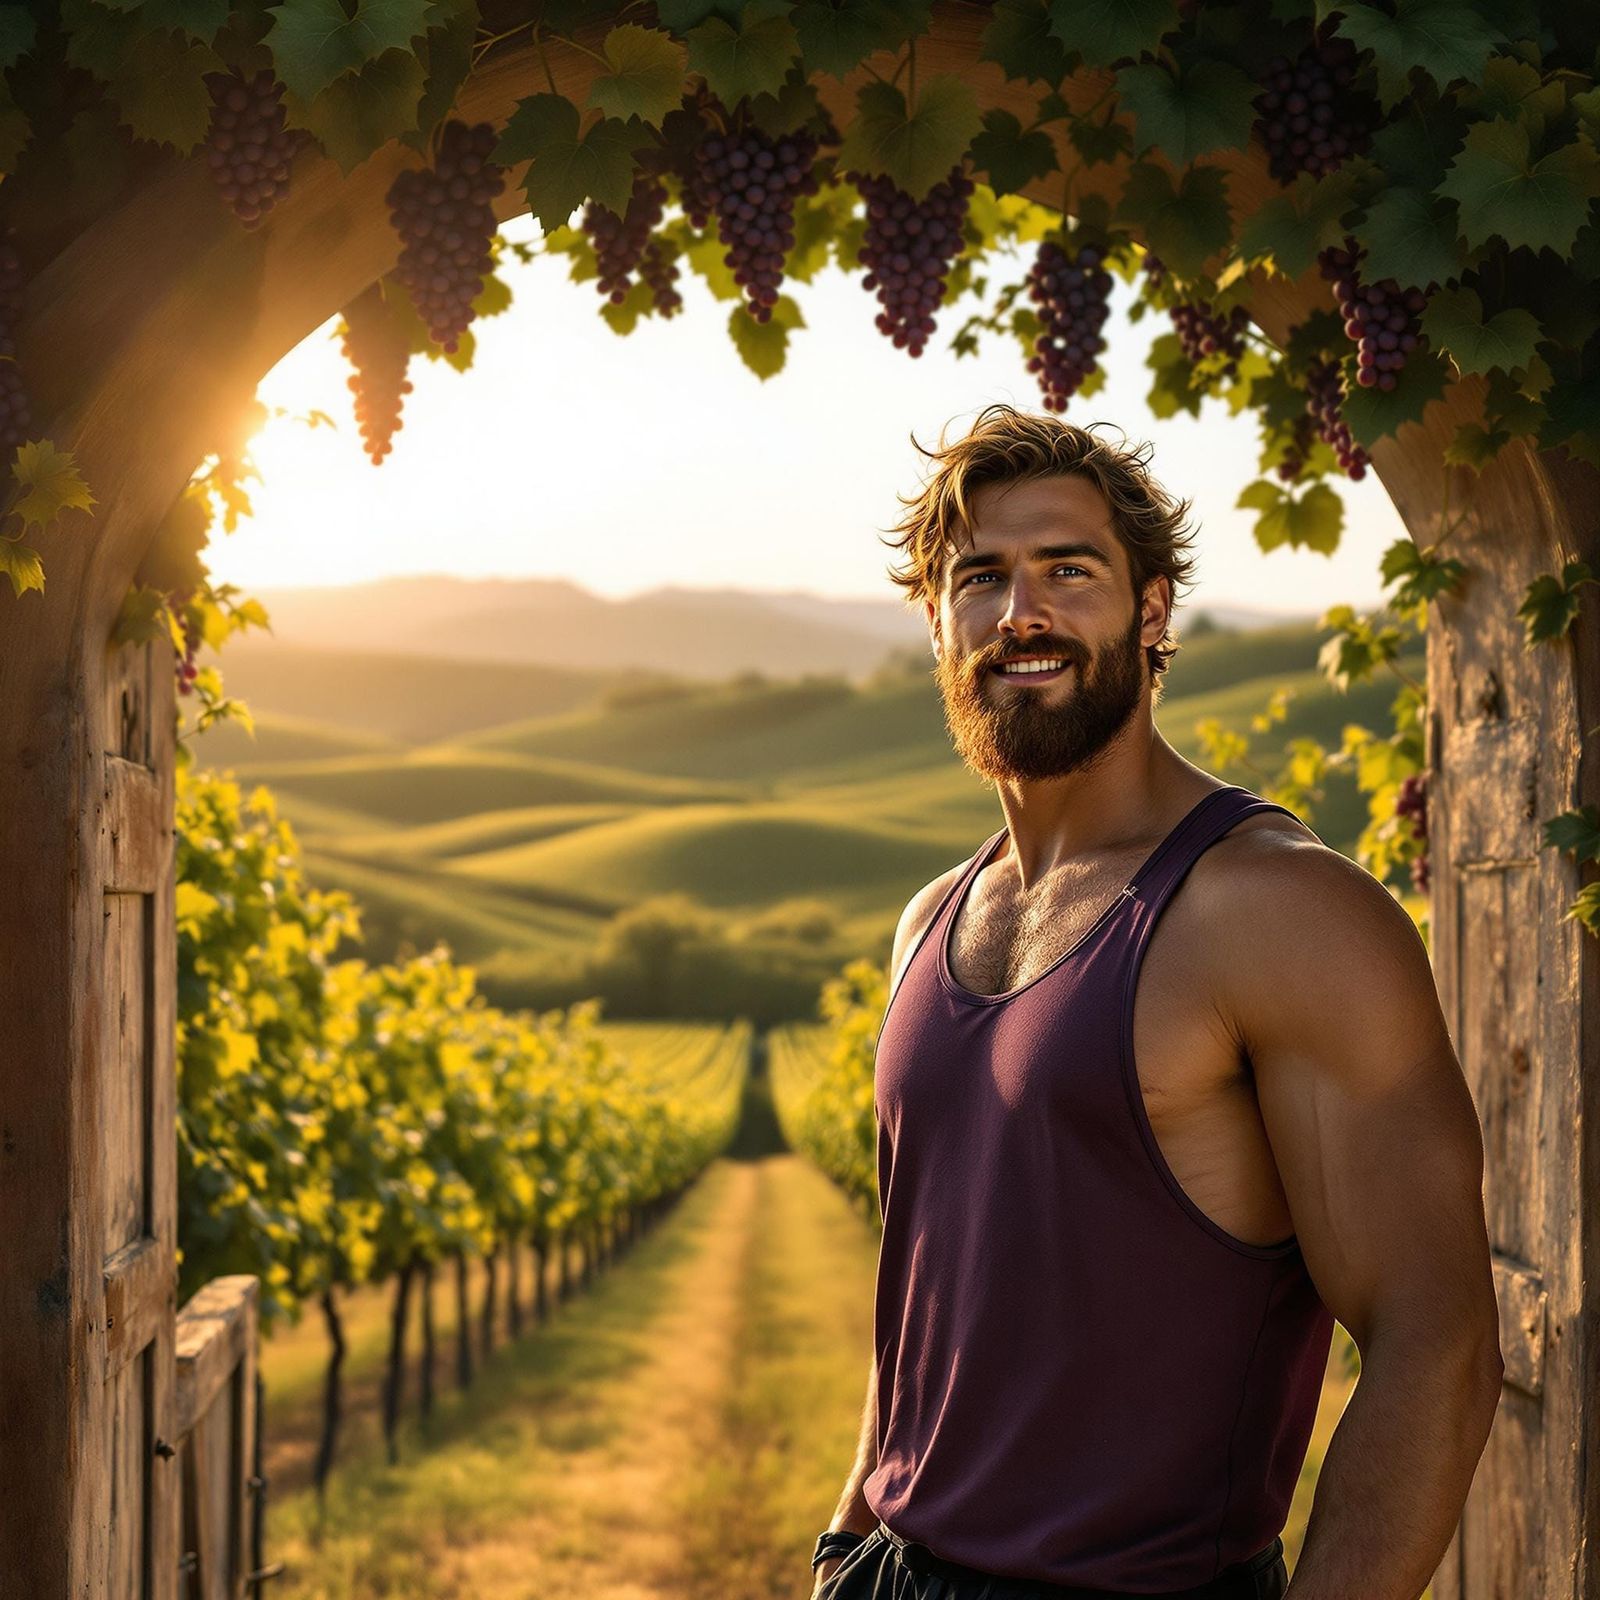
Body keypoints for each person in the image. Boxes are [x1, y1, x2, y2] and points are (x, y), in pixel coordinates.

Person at [809, 406, 1503, 1600]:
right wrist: (839, 1547)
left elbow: (1436, 1344)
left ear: (1150, 610)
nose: (1021, 610)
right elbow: (930, 1303)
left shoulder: (1280, 914)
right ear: (937, 621)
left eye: (1067, 570)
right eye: (980, 578)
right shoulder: (928, 921)